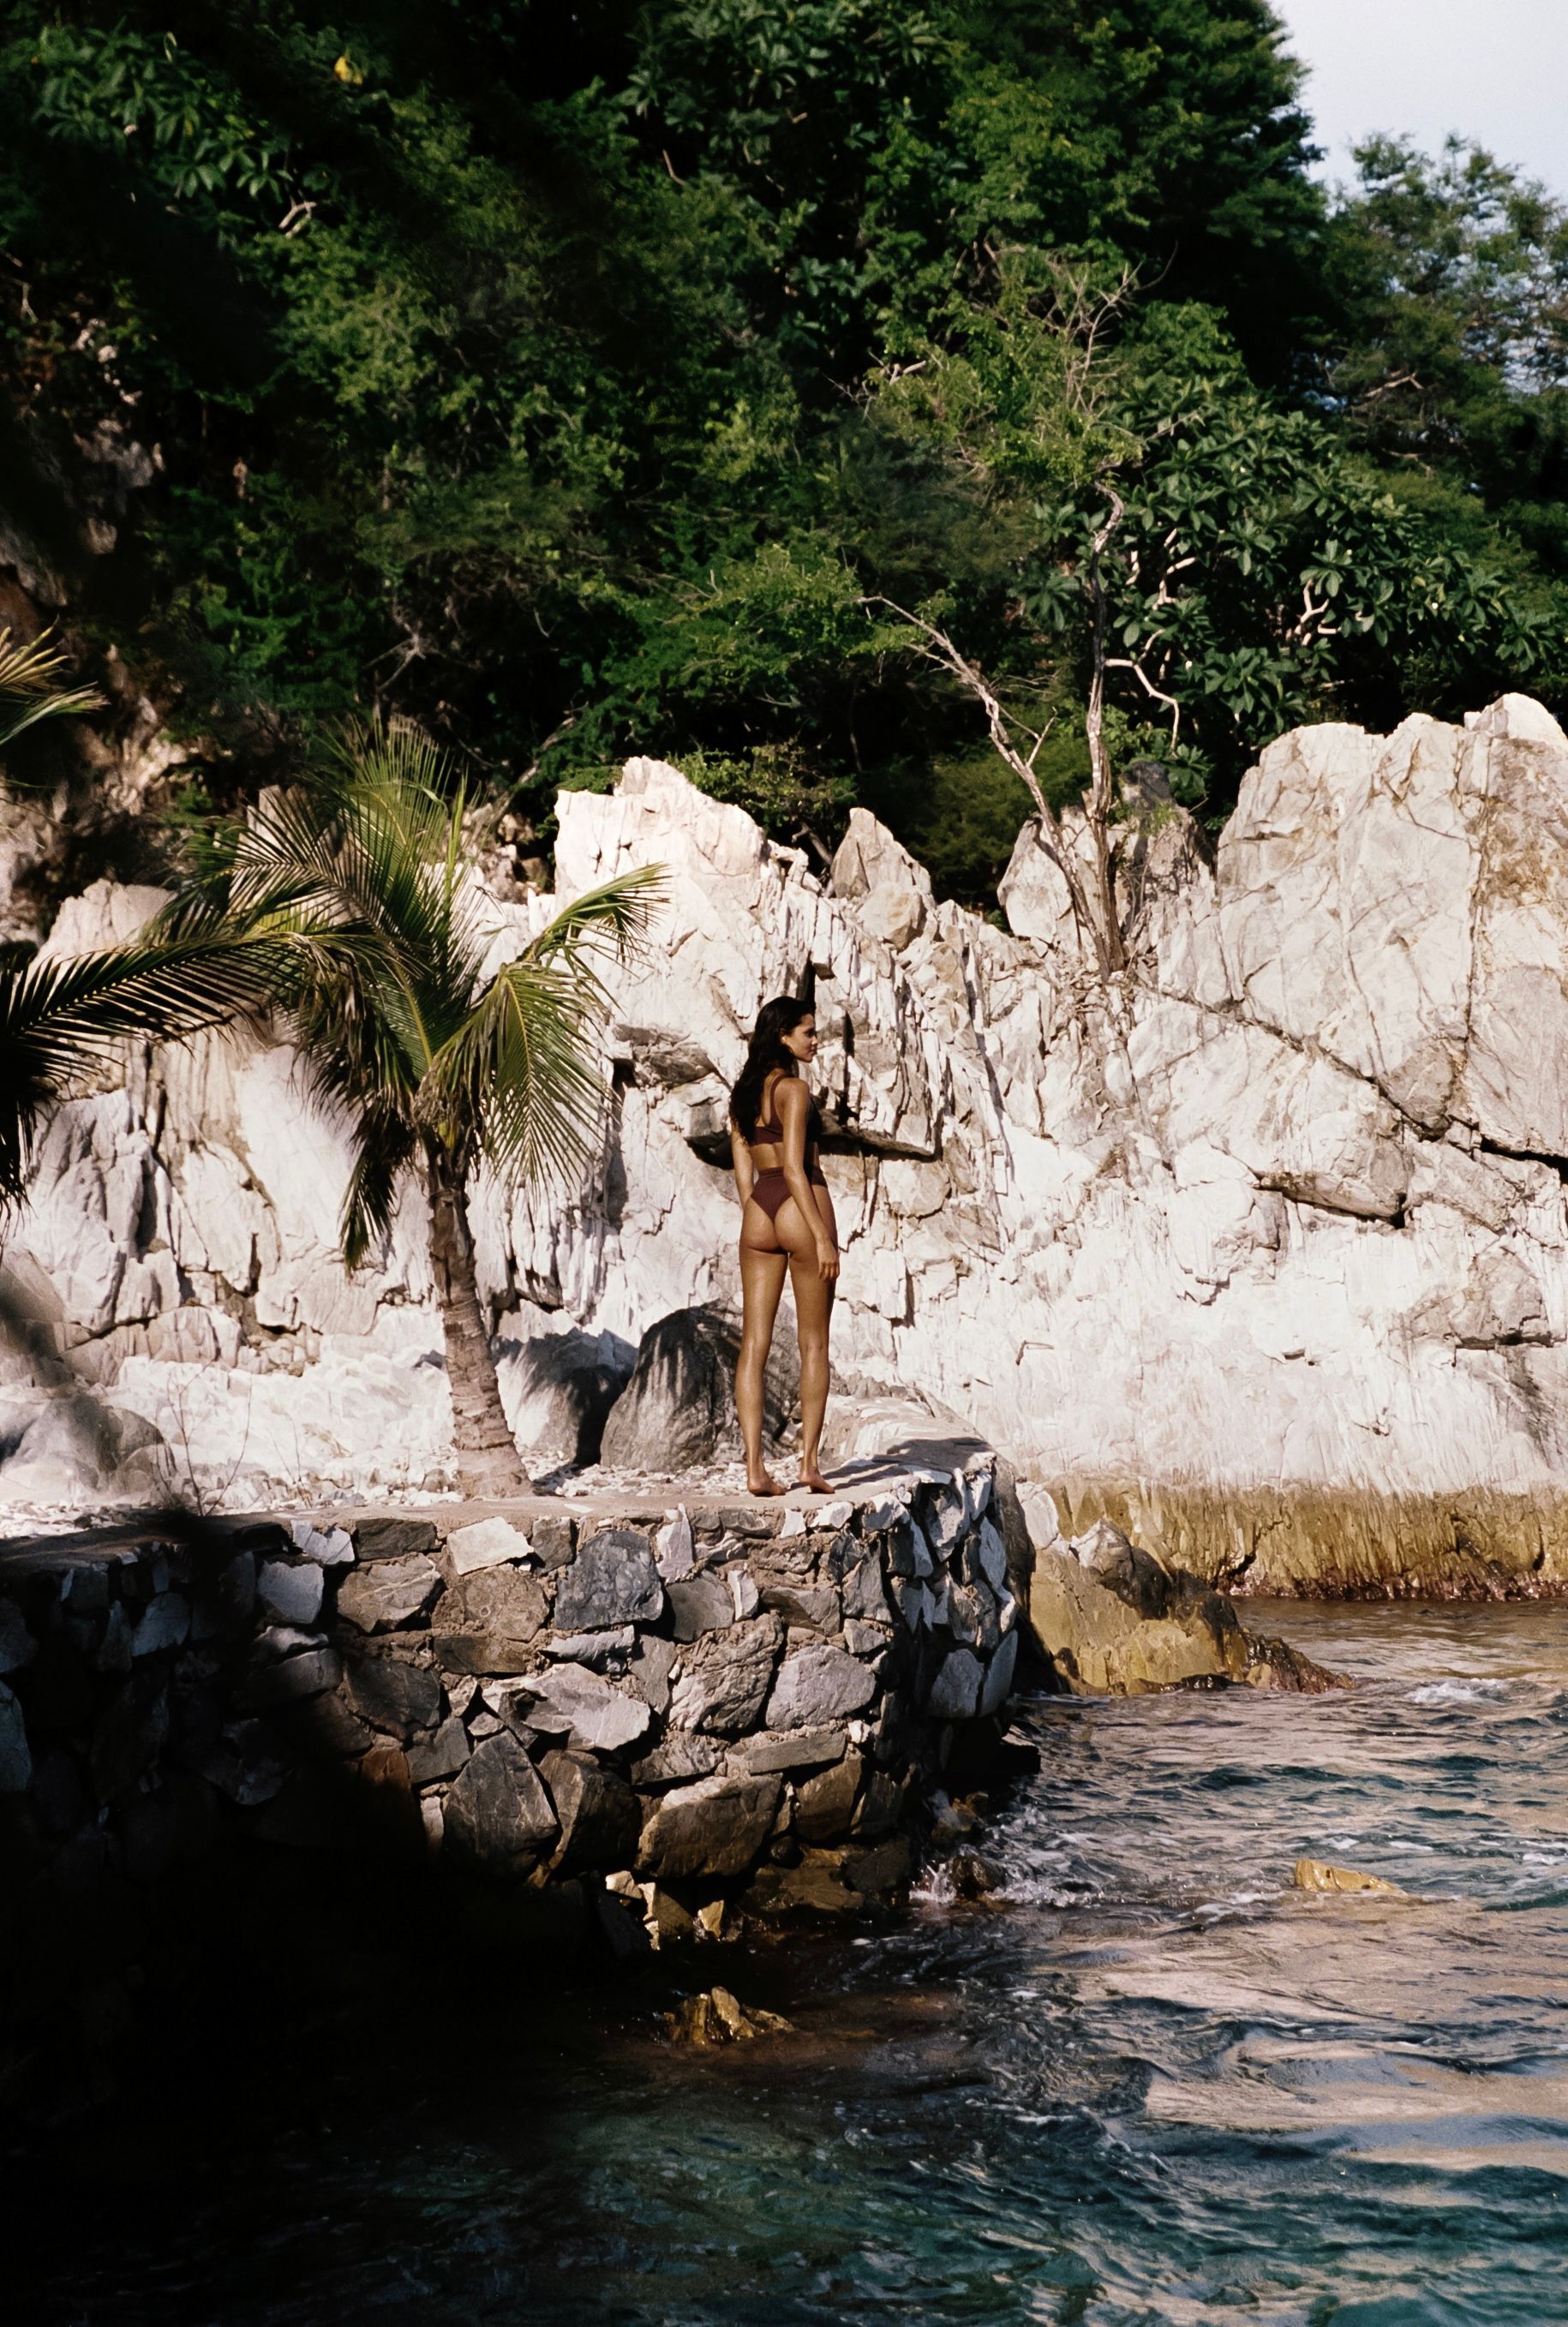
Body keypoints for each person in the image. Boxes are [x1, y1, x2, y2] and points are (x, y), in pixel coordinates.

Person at [728, 996, 840, 1496]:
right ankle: (809, 1466)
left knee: (753, 1344)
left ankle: (754, 1469)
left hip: (758, 1212)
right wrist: (821, 1239)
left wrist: (756, 1210)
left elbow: (743, 1168)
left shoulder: (743, 1093)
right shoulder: (794, 1089)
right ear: (783, 1037)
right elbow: (796, 1167)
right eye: (808, 1032)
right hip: (800, 1204)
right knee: (814, 1342)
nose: (815, 1040)